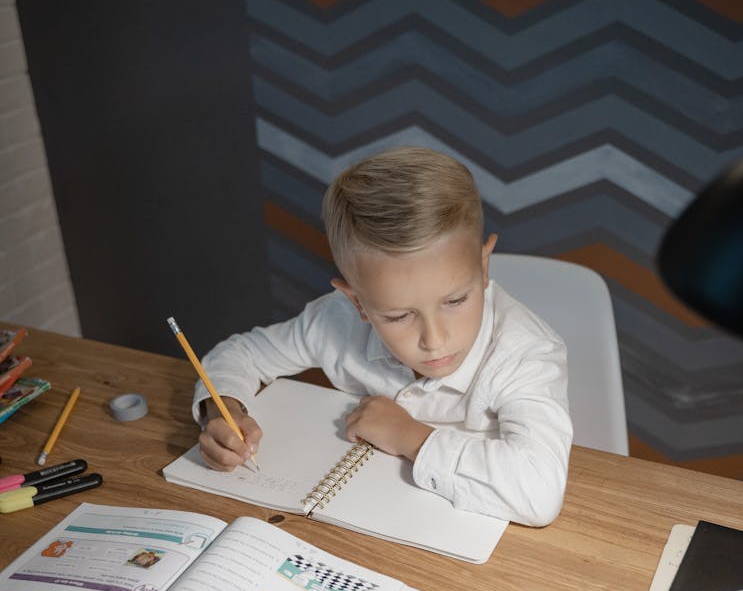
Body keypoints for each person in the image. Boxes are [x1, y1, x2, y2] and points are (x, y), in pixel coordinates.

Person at [192, 147, 572, 525]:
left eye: (455, 299)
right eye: (399, 315)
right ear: (357, 302)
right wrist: (222, 408)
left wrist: (409, 436)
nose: (435, 339)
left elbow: (538, 494)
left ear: (484, 265)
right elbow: (241, 353)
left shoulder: (526, 353)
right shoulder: (335, 321)